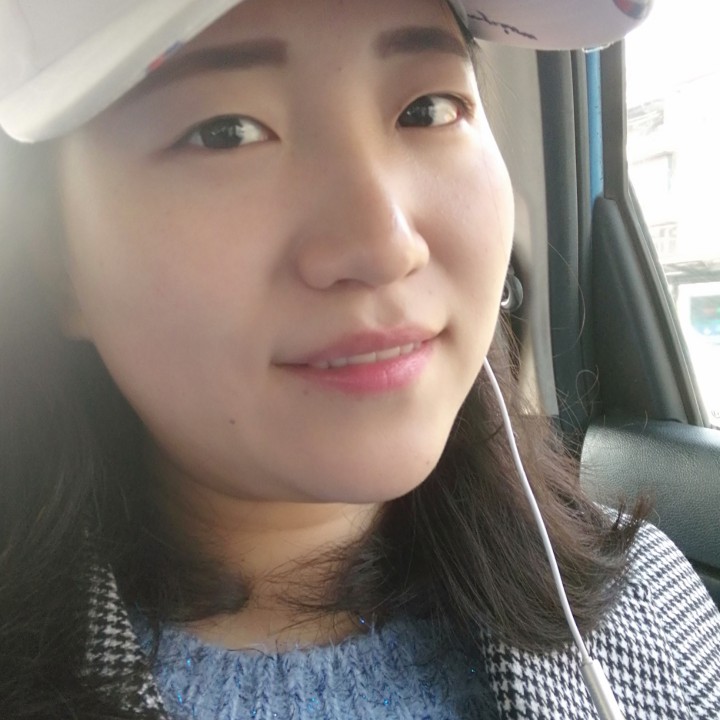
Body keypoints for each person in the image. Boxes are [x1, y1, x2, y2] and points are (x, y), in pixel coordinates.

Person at [0, 0, 718, 718]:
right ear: (57, 262)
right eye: (225, 133)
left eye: (427, 110)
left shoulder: (651, 607)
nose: (385, 245)